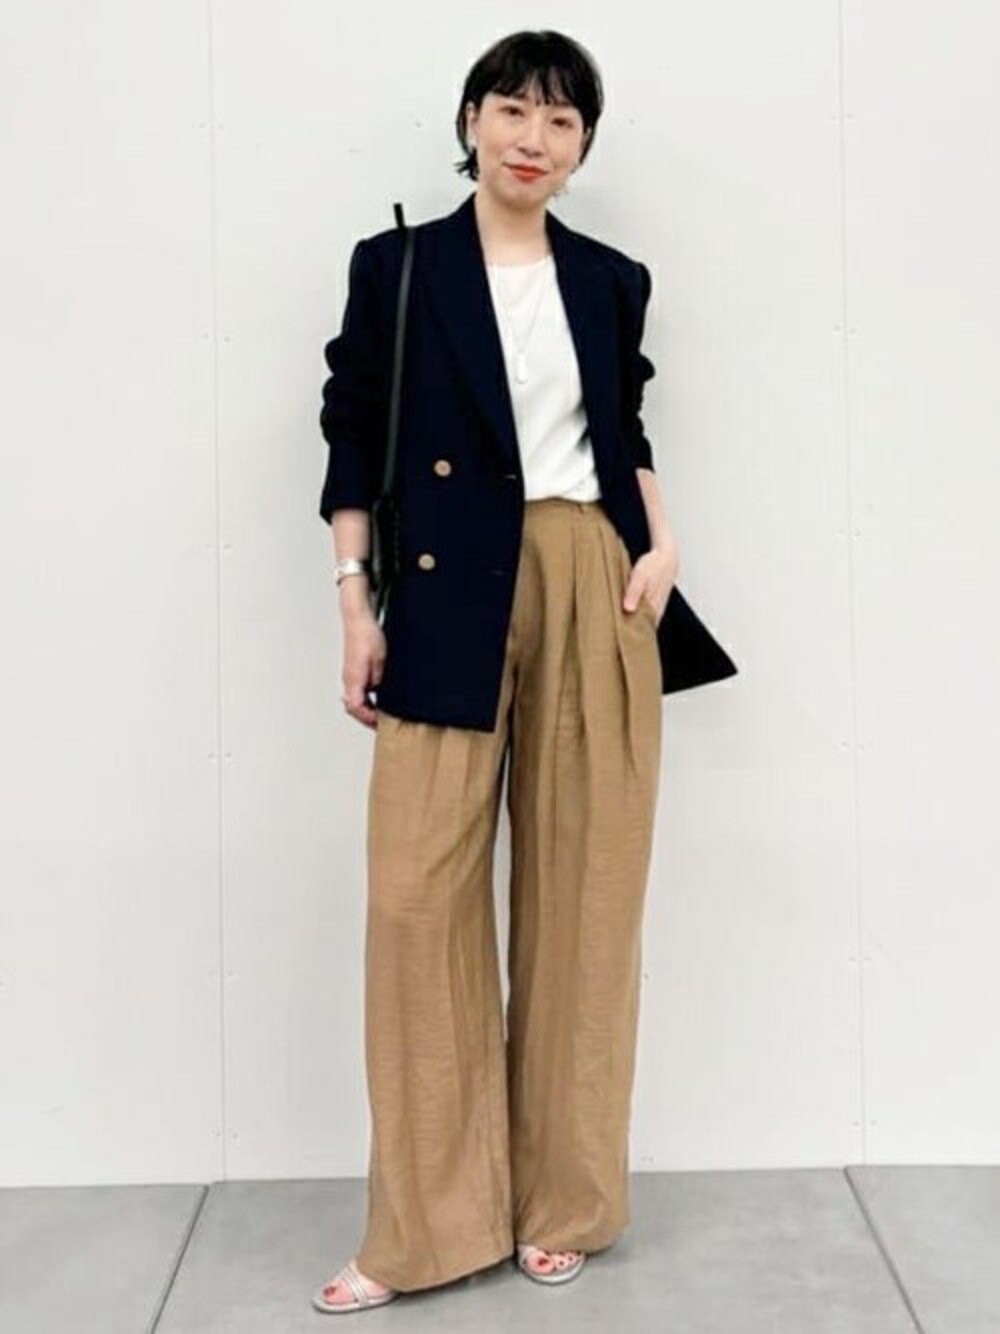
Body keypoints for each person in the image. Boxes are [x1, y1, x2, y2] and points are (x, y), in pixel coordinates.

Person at [311, 28, 723, 1316]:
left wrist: (661, 543)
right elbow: (349, 428)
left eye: (560, 121)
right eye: (512, 110)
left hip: (591, 575)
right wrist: (354, 600)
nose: (532, 139)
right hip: (444, 589)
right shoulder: (398, 267)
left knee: (587, 897)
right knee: (413, 902)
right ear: (471, 122)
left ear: (583, 146)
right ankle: (427, 1227)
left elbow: (623, 423)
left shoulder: (609, 278)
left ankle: (565, 1201)